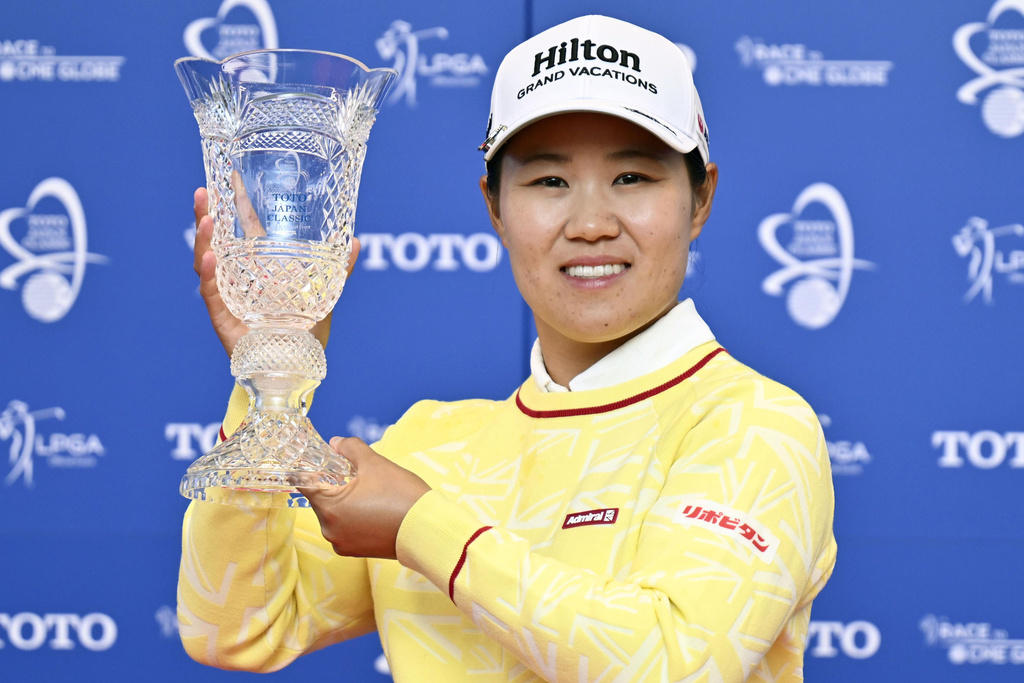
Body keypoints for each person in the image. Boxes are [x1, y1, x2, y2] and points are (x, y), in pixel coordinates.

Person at [178, 15, 836, 683]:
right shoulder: (431, 442)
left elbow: (670, 663)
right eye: (549, 182)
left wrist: (423, 527)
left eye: (633, 178)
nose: (591, 223)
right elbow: (234, 628)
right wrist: (270, 376)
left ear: (701, 199)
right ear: (494, 206)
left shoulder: (757, 426)